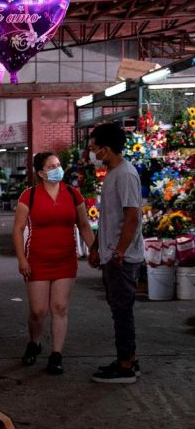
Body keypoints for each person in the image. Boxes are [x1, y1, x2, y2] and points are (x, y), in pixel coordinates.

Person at [12, 152, 95, 374]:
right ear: (41, 172)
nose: (58, 169)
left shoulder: (73, 194)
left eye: (58, 165)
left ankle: (56, 354)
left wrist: (94, 251)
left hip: (65, 259)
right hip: (36, 259)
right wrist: (22, 259)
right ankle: (35, 342)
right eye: (52, 166)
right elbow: (18, 229)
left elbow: (84, 226)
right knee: (38, 311)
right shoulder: (28, 197)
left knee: (59, 307)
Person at [87, 123, 144, 384]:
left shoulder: (126, 175)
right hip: (111, 254)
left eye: (94, 149)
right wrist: (97, 246)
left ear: (106, 149)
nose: (92, 153)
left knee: (122, 310)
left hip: (123, 258)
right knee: (118, 309)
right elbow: (108, 219)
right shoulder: (112, 174)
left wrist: (119, 251)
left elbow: (132, 217)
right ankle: (128, 358)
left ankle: (125, 366)